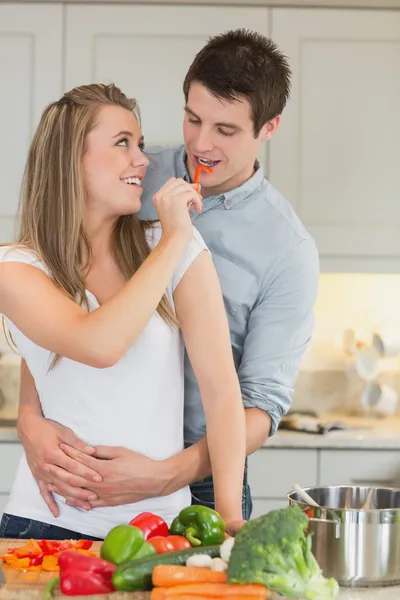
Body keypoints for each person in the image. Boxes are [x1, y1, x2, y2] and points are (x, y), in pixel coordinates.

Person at [16, 29, 319, 523]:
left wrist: (170, 472)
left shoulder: (288, 250)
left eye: (226, 130)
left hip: (201, 476)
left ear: (268, 127)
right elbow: (56, 297)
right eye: (193, 118)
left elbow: (257, 406)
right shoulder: (129, 174)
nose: (201, 143)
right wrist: (31, 419)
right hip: (84, 461)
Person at [0, 83, 246, 540]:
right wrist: (173, 239)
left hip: (159, 532)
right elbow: (99, 345)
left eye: (141, 144)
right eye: (122, 143)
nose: (142, 160)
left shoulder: (174, 247)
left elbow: (222, 393)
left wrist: (230, 519)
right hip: (45, 526)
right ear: (70, 158)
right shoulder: (16, 268)